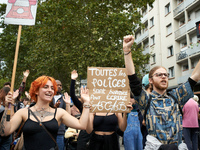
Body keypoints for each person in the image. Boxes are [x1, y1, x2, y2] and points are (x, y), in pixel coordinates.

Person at [123, 35, 200, 148]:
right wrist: (127, 50)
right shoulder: (146, 100)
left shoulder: (176, 97)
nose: (163, 77)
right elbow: (133, 79)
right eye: (159, 75)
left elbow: (196, 76)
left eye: (166, 75)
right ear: (151, 80)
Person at [0, 75, 90, 150]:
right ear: (36, 91)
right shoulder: (23, 112)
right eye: (45, 87)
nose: (50, 90)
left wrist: (86, 103)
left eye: (52, 88)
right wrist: (8, 107)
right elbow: (5, 132)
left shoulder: (59, 113)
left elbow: (82, 125)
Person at [70, 70, 91, 150]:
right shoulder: (81, 106)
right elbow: (72, 94)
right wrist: (73, 80)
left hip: (96, 135)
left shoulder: (99, 106)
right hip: (84, 134)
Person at [52, 79, 71, 150]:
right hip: (48, 130)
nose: (59, 86)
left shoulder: (64, 98)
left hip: (59, 131)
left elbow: (67, 115)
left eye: (60, 85)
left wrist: (67, 104)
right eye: (57, 85)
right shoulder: (48, 97)